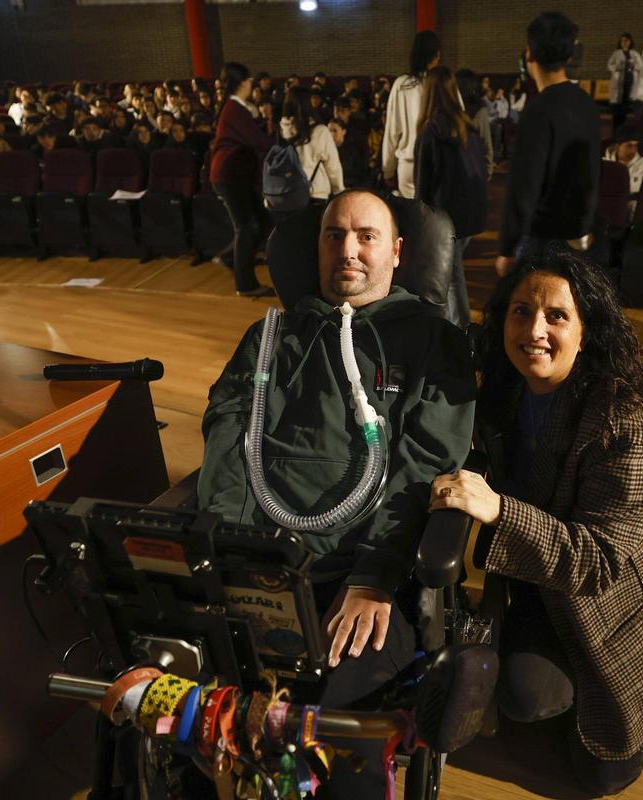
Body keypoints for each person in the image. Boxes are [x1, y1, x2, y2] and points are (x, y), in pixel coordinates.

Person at [198, 188, 475, 794]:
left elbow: (424, 466)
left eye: (366, 236)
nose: (347, 250)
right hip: (266, 566)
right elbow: (228, 444)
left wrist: (373, 577)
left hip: (368, 576)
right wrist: (235, 560)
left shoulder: (435, 343)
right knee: (194, 699)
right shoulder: (270, 338)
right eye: (333, 235)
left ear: (398, 253)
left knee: (325, 715)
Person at [429, 248, 643, 797]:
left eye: (557, 316)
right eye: (521, 311)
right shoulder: (506, 389)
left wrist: (499, 509)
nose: (535, 329)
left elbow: (600, 562)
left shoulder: (623, 429)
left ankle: (638, 710)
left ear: (587, 333)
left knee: (599, 778)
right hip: (546, 573)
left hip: (622, 605)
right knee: (523, 697)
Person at [496, 12, 602, 277]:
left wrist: (507, 248)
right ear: (569, 57)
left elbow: (523, 188)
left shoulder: (538, 111)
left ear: (529, 54)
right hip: (579, 236)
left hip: (542, 239)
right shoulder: (587, 103)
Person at [414, 66, 490, 329]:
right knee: (453, 275)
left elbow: (424, 182)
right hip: (471, 213)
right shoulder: (466, 124)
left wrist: (419, 220)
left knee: (451, 278)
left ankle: (459, 332)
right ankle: (459, 330)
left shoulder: (432, 131)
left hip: (447, 216)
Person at [209, 61, 276, 297]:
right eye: (249, 81)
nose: (251, 84)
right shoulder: (234, 108)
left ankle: (230, 257)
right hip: (229, 175)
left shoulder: (234, 107)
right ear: (242, 83)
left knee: (262, 222)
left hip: (236, 175)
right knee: (245, 228)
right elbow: (258, 141)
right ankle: (245, 284)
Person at [382, 30, 442, 199]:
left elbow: (392, 131)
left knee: (412, 220)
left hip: (409, 164)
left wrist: (388, 169)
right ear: (437, 55)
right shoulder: (443, 83)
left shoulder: (401, 85)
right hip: (440, 163)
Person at [278, 86, 345, 206]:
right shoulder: (320, 131)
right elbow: (333, 166)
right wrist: (338, 191)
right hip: (315, 192)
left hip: (285, 194)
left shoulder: (280, 130)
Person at [603, 125, 643, 217]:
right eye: (629, 146)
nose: (633, 150)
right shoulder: (603, 163)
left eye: (636, 146)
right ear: (617, 147)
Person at [609, 33, 643, 128]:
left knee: (625, 108)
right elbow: (609, 65)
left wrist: (634, 66)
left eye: (627, 41)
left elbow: (641, 66)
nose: (624, 43)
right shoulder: (616, 53)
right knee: (617, 108)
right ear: (620, 42)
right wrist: (617, 67)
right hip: (619, 83)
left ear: (630, 42)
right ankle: (615, 129)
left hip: (629, 83)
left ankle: (622, 127)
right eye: (623, 41)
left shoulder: (635, 54)